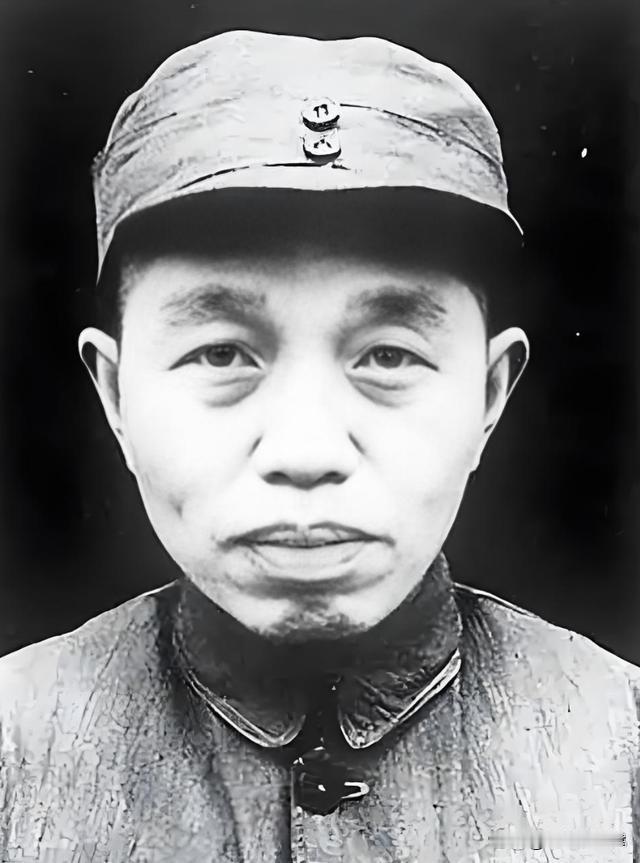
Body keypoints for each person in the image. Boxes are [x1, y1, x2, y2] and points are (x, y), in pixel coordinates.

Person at [0, 28, 637, 863]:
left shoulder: (623, 745)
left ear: (489, 394)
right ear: (116, 395)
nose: (305, 451)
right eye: (221, 354)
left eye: (390, 357)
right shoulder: (14, 745)